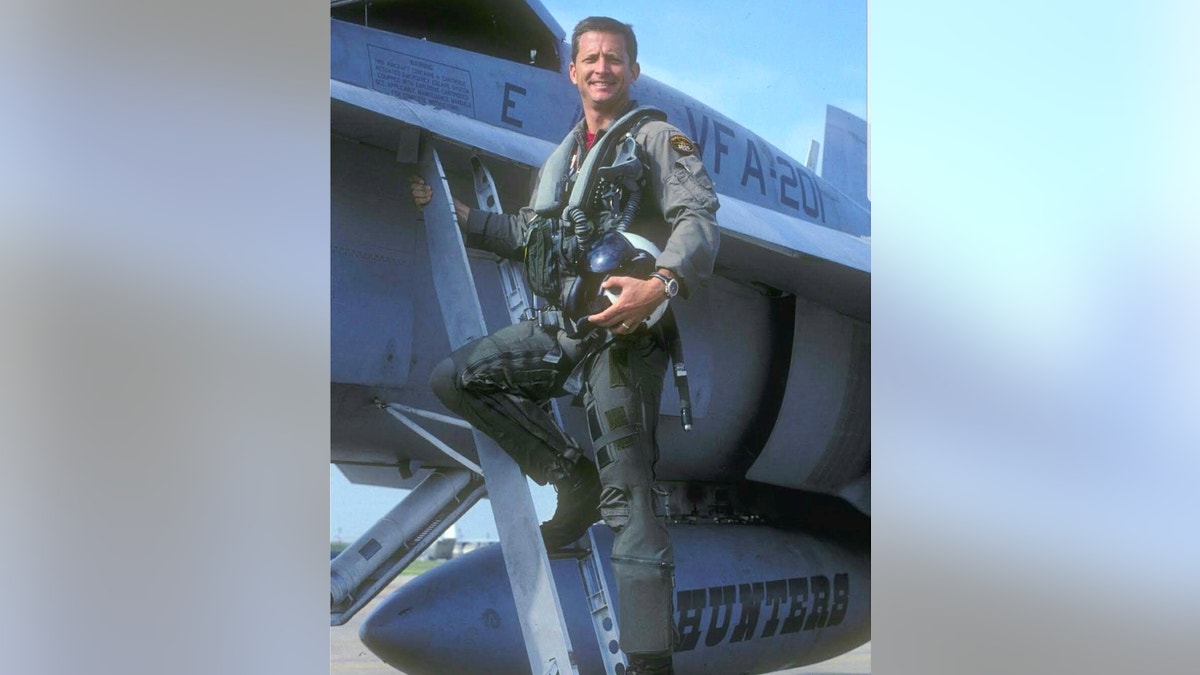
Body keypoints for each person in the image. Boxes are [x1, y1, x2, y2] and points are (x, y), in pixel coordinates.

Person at [410, 16, 719, 675]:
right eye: (590, 59)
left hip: (628, 327)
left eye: (615, 59)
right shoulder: (567, 157)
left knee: (629, 490)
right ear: (572, 72)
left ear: (633, 71)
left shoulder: (657, 139)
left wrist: (658, 285)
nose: (602, 67)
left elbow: (698, 222)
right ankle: (566, 474)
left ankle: (649, 663)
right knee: (458, 377)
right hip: (566, 324)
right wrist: (454, 213)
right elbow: (532, 235)